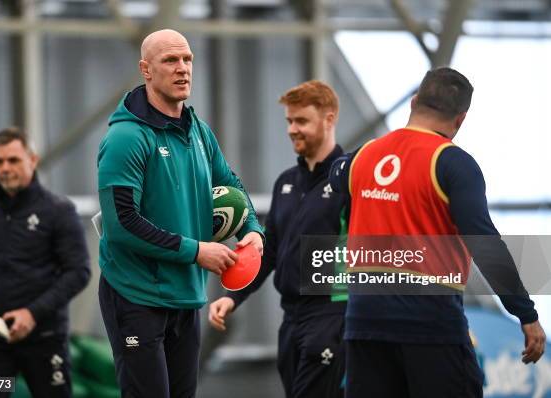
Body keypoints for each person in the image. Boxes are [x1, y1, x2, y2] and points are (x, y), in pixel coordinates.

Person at [329, 67, 546, 398]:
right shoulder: (453, 164)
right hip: (429, 325)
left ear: (414, 102)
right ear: (460, 120)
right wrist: (525, 313)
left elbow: (335, 179)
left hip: (364, 325)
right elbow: (485, 245)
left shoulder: (362, 157)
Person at [96, 29, 264, 398]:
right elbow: (122, 223)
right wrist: (196, 251)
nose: (182, 68)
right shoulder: (126, 138)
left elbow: (230, 181)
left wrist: (251, 227)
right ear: (146, 70)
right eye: (170, 60)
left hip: (185, 297)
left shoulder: (199, 132)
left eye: (187, 59)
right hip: (136, 295)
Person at [209, 80, 349, 398]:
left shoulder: (349, 179)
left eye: (301, 120)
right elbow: (269, 250)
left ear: (329, 119)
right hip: (291, 320)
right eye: (289, 121)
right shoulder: (286, 182)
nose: (292, 129)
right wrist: (234, 298)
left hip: (330, 315)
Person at [0, 127, 91, 397]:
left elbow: (79, 271)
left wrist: (32, 313)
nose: (5, 168)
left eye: (13, 160)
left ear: (33, 160)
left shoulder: (58, 210)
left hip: (45, 338)